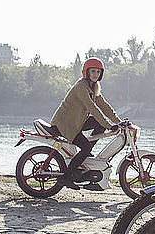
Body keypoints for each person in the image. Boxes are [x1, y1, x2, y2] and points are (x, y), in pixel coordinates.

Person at [51, 57, 121, 189]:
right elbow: (92, 108)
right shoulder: (81, 87)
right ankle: (66, 178)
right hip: (65, 124)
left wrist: (119, 121)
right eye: (93, 71)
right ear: (86, 72)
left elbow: (104, 105)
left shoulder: (94, 87)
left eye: (98, 72)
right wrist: (109, 125)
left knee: (98, 125)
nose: (95, 74)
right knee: (85, 147)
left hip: (76, 121)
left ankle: (86, 153)